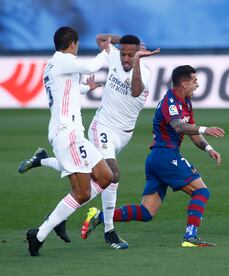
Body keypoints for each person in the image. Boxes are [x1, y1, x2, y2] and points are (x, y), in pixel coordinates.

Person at [19, 33, 160, 249]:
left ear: (138, 55)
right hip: (100, 127)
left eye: (130, 55)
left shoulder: (145, 73)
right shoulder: (109, 55)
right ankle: (109, 230)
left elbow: (136, 89)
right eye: (123, 53)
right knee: (111, 175)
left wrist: (131, 58)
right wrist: (118, 42)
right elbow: (101, 39)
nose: (125, 59)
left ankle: (44, 165)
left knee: (91, 173)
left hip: (122, 133)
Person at [84, 65, 225, 247]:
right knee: (201, 191)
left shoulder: (186, 103)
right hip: (165, 156)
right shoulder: (170, 102)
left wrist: (208, 148)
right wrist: (207, 129)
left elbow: (192, 130)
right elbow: (179, 127)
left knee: (146, 212)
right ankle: (190, 237)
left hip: (158, 159)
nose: (197, 85)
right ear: (184, 83)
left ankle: (99, 216)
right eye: (195, 81)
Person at [24, 26, 114, 256]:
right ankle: (41, 233)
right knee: (82, 193)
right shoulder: (63, 60)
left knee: (105, 177)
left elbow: (67, 89)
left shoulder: (54, 64)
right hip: (67, 133)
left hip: (73, 132)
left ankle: (58, 216)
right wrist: (106, 50)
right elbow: (92, 66)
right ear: (72, 44)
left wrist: (87, 87)